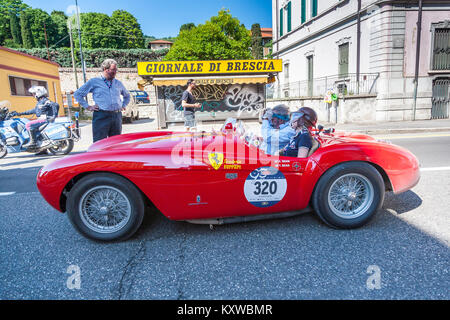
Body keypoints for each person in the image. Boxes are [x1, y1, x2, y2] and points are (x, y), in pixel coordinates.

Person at [74, 59, 130, 143]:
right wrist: (88, 107)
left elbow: (127, 95)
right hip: (101, 115)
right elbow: (78, 94)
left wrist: (123, 105)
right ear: (105, 69)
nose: (115, 72)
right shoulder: (94, 82)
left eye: (116, 70)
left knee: (116, 143)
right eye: (113, 70)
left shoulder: (118, 83)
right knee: (99, 143)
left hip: (116, 116)